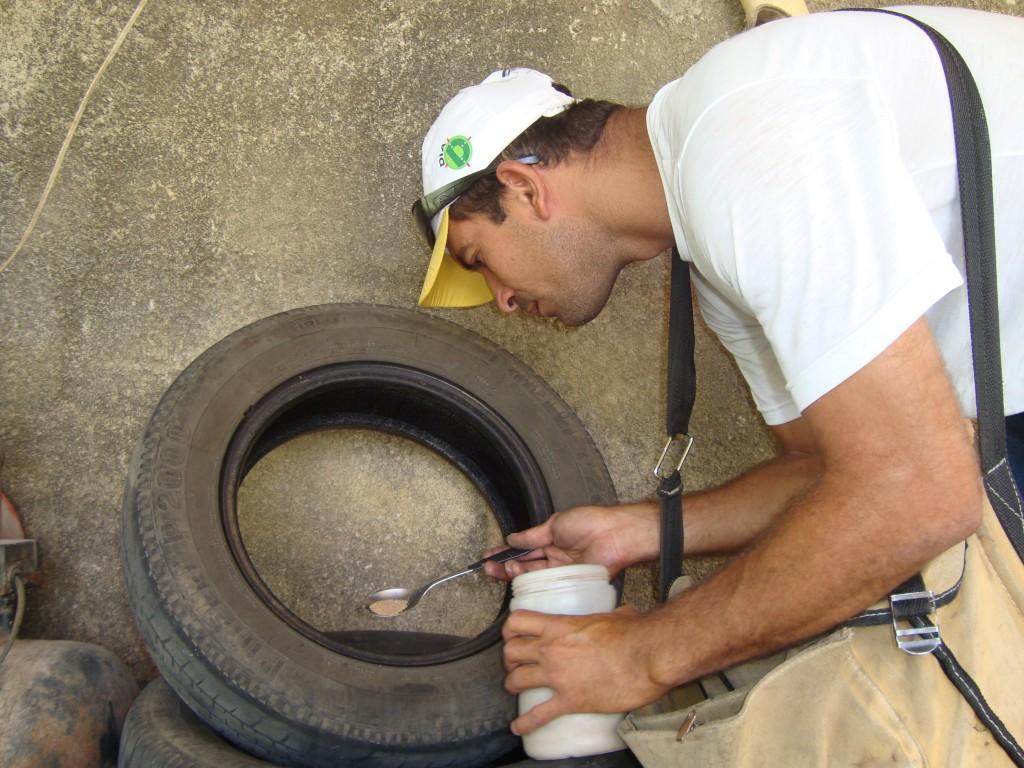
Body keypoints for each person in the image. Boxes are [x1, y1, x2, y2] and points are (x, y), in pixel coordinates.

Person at [411, 6, 1024, 764]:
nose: (501, 301)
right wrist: (636, 532)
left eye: (478, 258)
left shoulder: (746, 142)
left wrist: (640, 656)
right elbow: (827, 472)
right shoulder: (718, 227)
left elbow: (919, 492)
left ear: (525, 188)